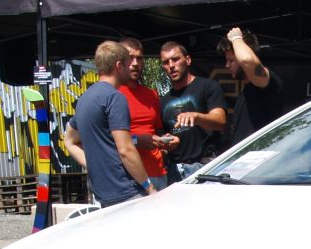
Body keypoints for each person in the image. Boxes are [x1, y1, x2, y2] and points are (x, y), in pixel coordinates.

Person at [64, 41, 156, 206]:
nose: (131, 68)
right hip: (127, 191)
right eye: (127, 64)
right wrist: (149, 187)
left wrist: (94, 166)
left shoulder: (84, 99)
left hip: (103, 193)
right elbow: (125, 149)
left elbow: (69, 141)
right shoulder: (115, 97)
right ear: (119, 66)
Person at [159, 41, 227, 182]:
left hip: (206, 166)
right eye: (166, 62)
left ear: (188, 60)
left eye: (175, 59)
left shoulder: (208, 86)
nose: (171, 65)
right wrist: (167, 143)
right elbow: (163, 139)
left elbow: (220, 121)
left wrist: (197, 117)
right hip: (176, 170)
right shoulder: (163, 101)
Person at [218, 27, 284, 147]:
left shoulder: (267, 83)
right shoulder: (246, 91)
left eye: (231, 60)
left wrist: (236, 38)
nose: (227, 65)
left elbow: (247, 60)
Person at [119, 37, 170, 191]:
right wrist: (136, 141)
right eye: (130, 57)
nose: (135, 63)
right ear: (119, 60)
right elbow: (106, 140)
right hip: (129, 177)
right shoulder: (112, 94)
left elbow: (157, 131)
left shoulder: (151, 94)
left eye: (139, 58)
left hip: (158, 173)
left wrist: (166, 141)